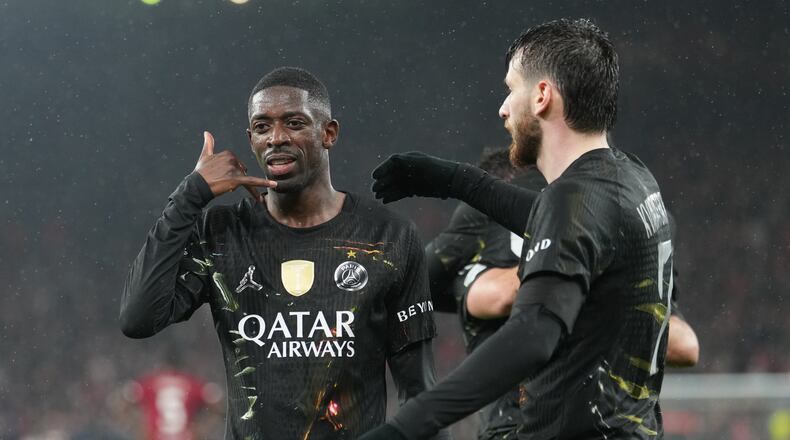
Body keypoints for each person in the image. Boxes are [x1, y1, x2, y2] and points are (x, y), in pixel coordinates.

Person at [364, 18, 678, 439]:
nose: (503, 107)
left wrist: (405, 427)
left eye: (512, 89)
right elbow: (559, 220)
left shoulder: (576, 198)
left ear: (543, 96)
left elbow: (533, 336)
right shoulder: (632, 178)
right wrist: (450, 179)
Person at [120, 67, 447, 440]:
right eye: (262, 127)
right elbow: (138, 318)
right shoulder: (221, 234)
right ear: (251, 138)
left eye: (294, 123)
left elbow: (420, 390)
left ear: (329, 133)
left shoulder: (388, 238)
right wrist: (191, 194)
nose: (276, 138)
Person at [428, 150, 699, 440]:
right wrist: (471, 288)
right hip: (553, 427)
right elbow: (420, 283)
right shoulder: (485, 216)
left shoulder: (635, 216)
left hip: (603, 427)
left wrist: (595, 287)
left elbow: (685, 346)